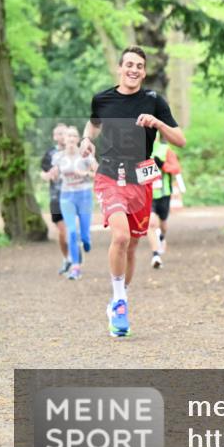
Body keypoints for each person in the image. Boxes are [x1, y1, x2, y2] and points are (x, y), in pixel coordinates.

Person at [80, 46, 186, 337]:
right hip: (109, 175)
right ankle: (120, 301)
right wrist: (85, 141)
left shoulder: (153, 101)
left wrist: (158, 123)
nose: (134, 69)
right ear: (119, 67)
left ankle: (118, 297)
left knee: (133, 245)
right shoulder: (102, 99)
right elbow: (92, 125)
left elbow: (180, 140)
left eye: (139, 65)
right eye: (129, 64)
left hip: (141, 177)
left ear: (144, 71)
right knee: (121, 236)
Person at [52, 126, 97, 280]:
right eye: (68, 136)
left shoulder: (85, 155)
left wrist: (85, 173)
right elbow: (55, 175)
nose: (71, 139)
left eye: (74, 136)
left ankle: (86, 239)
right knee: (71, 231)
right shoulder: (58, 157)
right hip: (66, 197)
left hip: (84, 196)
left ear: (78, 140)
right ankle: (75, 267)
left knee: (84, 236)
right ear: (64, 140)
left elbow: (98, 173)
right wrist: (53, 175)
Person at [147, 135, 184, 269]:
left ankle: (162, 237)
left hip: (163, 194)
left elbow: (176, 169)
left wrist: (162, 165)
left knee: (163, 224)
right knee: (150, 223)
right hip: (147, 195)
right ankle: (155, 255)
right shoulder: (138, 151)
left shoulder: (164, 149)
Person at [39, 123, 70, 274]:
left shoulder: (74, 152)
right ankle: (67, 258)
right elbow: (42, 173)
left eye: (64, 133)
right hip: (55, 197)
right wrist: (47, 176)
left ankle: (74, 260)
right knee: (63, 231)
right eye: (59, 133)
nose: (62, 136)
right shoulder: (50, 153)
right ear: (54, 136)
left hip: (73, 196)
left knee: (71, 230)